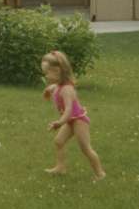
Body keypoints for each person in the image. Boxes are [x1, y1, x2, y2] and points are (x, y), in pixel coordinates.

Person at [41, 50, 107, 181]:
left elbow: (69, 110)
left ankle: (100, 174)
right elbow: (53, 88)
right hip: (71, 121)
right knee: (59, 141)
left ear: (58, 71)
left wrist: (59, 123)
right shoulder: (58, 85)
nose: (46, 75)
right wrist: (48, 90)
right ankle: (60, 167)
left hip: (79, 121)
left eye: (47, 72)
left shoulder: (67, 89)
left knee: (85, 148)